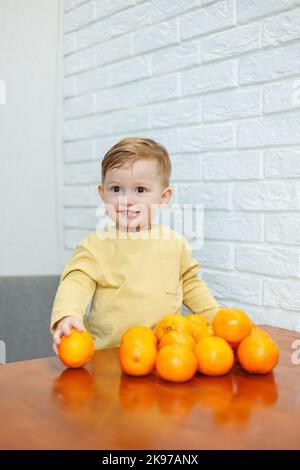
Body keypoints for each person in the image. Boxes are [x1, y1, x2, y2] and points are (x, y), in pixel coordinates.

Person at [51, 137, 222, 354]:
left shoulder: (174, 243)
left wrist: (217, 319)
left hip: (166, 354)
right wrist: (67, 315)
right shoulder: (94, 246)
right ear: (103, 194)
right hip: (109, 356)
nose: (126, 200)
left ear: (163, 197)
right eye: (116, 189)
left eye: (140, 190)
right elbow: (76, 282)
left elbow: (191, 285)